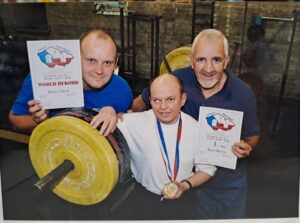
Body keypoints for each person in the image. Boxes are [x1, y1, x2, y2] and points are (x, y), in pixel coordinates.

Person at [131, 29, 260, 219]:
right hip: (191, 178)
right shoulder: (178, 80)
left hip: (229, 182)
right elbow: (140, 103)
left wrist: (247, 147)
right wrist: (125, 116)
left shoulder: (242, 94)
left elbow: (253, 135)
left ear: (227, 61)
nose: (208, 68)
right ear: (191, 60)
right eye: (201, 60)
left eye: (216, 60)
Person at [91, 74, 216, 220]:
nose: (163, 107)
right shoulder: (132, 123)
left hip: (183, 199)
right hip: (144, 200)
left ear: (182, 99)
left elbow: (207, 170)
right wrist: (108, 110)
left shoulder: (197, 129)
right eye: (157, 100)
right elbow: (95, 123)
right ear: (150, 100)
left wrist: (185, 185)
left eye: (170, 99)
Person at [8, 29, 133, 136]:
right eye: (91, 60)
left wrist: (118, 116)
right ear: (76, 58)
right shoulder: (42, 79)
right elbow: (15, 120)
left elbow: (128, 122)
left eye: (107, 63)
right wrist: (38, 119)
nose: (99, 70)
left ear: (115, 64)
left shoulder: (122, 90)